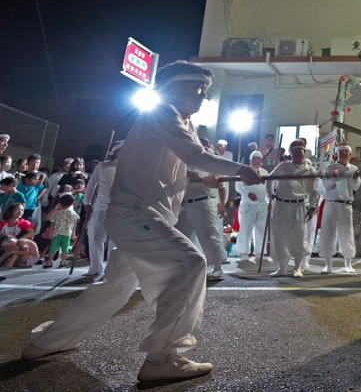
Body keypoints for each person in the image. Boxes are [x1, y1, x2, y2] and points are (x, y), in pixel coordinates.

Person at [21, 60, 260, 382]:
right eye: (195, 88)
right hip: (136, 215)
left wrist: (204, 181)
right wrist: (240, 170)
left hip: (144, 217)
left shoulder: (178, 123)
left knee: (114, 288)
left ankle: (47, 342)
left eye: (204, 90)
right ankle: (163, 358)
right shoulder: (163, 113)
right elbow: (194, 156)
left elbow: (178, 168)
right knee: (191, 264)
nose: (202, 96)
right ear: (171, 88)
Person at [175, 143, 228, 279]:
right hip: (188, 203)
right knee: (182, 235)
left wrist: (181, 167)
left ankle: (217, 266)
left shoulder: (208, 163)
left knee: (209, 235)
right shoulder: (190, 163)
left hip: (204, 201)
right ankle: (187, 264)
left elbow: (197, 175)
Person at [267, 140, 319, 277]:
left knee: (299, 237)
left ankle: (298, 268)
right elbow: (269, 179)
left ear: (304, 152)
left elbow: (314, 191)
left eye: (300, 150)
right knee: (280, 236)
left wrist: (313, 207)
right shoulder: (283, 167)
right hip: (281, 205)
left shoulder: (310, 170)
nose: (297, 153)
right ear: (291, 153)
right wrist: (271, 193)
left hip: (299, 206)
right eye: (294, 151)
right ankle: (282, 268)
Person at [82, 141, 124, 278]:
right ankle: (95, 267)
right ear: (115, 151)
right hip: (100, 208)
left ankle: (111, 269)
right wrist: (86, 203)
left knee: (115, 241)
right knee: (94, 236)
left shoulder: (131, 168)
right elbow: (91, 185)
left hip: (120, 210)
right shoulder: (102, 166)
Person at [319, 144, 361, 274]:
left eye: (346, 152)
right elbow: (326, 185)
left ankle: (348, 263)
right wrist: (334, 177)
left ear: (349, 154)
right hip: (330, 203)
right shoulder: (329, 168)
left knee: (346, 233)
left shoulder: (353, 169)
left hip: (345, 204)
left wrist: (354, 179)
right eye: (340, 152)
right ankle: (327, 264)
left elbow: (356, 187)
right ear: (336, 154)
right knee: (327, 232)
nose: (343, 154)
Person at [234, 151, 269, 261]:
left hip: (262, 204)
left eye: (259, 158)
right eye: (254, 158)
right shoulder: (245, 171)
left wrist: (269, 201)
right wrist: (247, 194)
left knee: (261, 229)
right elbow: (238, 186)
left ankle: (260, 252)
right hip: (248, 203)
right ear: (250, 160)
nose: (256, 160)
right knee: (246, 228)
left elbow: (268, 188)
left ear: (261, 161)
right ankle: (244, 253)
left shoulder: (265, 172)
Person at [42, 193, 80, 268]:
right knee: (65, 247)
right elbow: (74, 223)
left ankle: (50, 261)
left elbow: (52, 222)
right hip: (67, 233)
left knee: (53, 246)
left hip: (57, 232)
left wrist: (51, 231)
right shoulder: (73, 213)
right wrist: (73, 232)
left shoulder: (56, 212)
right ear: (72, 203)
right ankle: (63, 260)